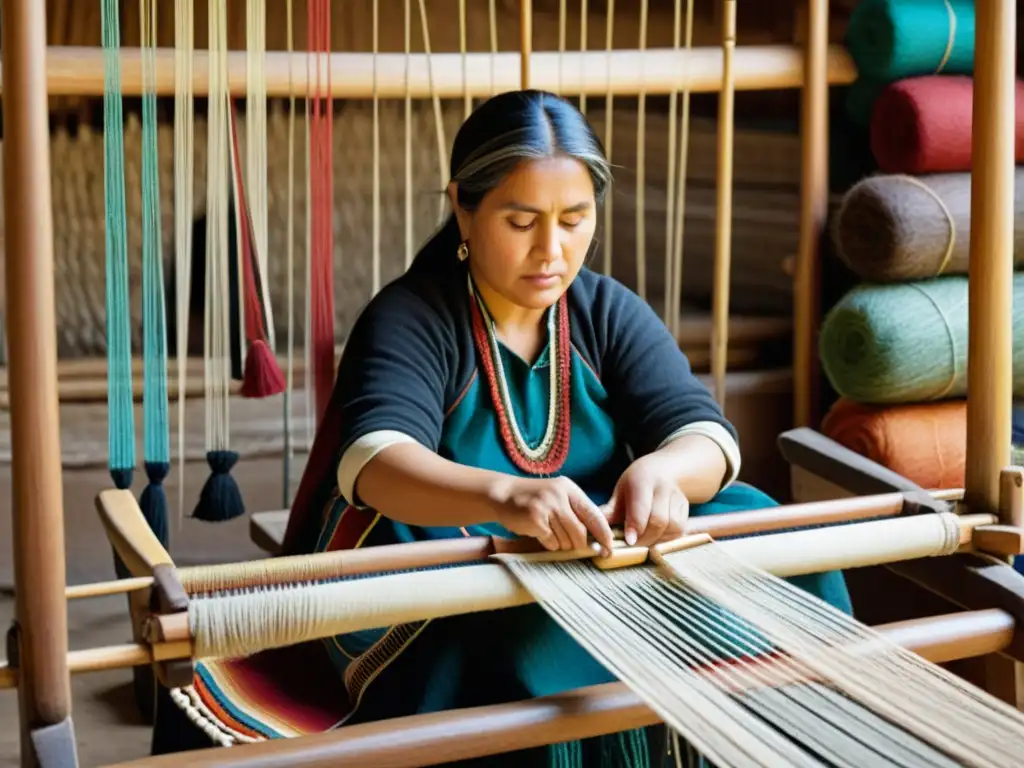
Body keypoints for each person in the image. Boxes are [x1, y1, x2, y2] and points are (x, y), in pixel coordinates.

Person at [153, 89, 852, 766]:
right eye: (522, 223)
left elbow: (704, 433)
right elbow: (376, 461)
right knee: (538, 634)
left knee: (783, 546)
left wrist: (663, 472)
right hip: (453, 573)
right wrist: (507, 498)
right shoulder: (413, 316)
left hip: (599, 550)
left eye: (575, 220)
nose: (552, 250)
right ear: (463, 206)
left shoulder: (606, 311)